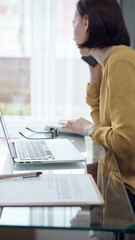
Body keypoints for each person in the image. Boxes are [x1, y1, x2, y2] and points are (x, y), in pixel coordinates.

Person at [63, 0, 135, 213]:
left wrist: (87, 129)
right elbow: (104, 124)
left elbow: (124, 141)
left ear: (86, 22)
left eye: (73, 22)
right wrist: (95, 75)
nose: (72, 30)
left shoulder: (120, 62)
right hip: (117, 181)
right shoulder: (111, 61)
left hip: (128, 188)